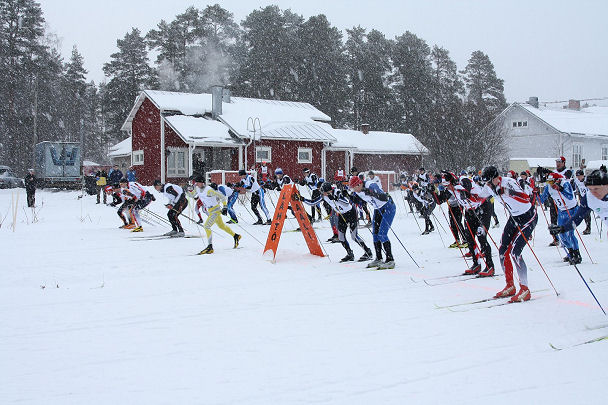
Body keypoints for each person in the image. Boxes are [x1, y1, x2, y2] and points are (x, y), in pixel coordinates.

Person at [481, 166, 538, 302]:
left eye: (489, 182)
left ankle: (525, 289)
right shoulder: (490, 186)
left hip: (527, 216)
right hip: (514, 217)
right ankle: (510, 285)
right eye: (487, 183)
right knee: (502, 250)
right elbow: (479, 196)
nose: (488, 185)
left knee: (515, 252)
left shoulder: (507, 182)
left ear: (496, 178)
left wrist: (507, 192)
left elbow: (525, 198)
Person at [298, 181, 373, 262]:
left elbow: (346, 203)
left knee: (354, 237)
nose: (323, 194)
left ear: (330, 191)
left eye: (325, 192)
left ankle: (368, 251)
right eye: (323, 193)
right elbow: (313, 203)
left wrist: (336, 198)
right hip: (341, 215)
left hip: (351, 213)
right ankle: (349, 253)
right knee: (341, 237)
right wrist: (302, 199)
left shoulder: (337, 192)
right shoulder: (324, 196)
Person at [349, 175, 396, 269]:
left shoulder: (370, 185)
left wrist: (371, 192)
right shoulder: (357, 190)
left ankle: (390, 260)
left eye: (355, 188)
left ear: (359, 184)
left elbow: (383, 197)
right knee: (375, 234)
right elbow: (358, 201)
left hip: (387, 207)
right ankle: (379, 258)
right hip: (377, 209)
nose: (354, 190)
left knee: (382, 234)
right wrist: (349, 196)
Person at [551, 165, 608, 239]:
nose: (594, 193)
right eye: (590, 189)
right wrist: (563, 228)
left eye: (596, 189)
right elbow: (577, 217)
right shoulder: (588, 198)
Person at [539, 172, 581, 264]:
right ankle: (570, 252)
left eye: (551, 182)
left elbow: (570, 196)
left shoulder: (565, 183)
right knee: (561, 234)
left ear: (557, 180)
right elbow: (541, 200)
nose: (550, 184)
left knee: (570, 233)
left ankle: (577, 254)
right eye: (548, 182)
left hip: (572, 209)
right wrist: (534, 194)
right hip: (562, 211)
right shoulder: (548, 187)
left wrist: (560, 189)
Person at [192, 177, 241, 254]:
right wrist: (188, 192)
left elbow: (222, 197)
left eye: (197, 182)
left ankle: (210, 247)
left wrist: (225, 207)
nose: (196, 184)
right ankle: (236, 236)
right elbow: (192, 194)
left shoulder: (209, 190)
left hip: (215, 211)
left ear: (202, 182)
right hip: (211, 210)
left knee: (206, 226)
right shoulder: (198, 189)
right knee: (221, 226)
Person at [573, 169, 592, 235]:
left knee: (587, 213)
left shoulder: (587, 180)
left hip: (590, 198)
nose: (578, 178)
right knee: (584, 213)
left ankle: (588, 227)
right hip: (582, 197)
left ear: (583, 175)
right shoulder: (576, 181)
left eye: (579, 176)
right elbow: (575, 187)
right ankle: (587, 227)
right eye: (577, 176)